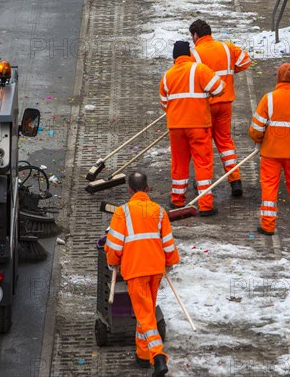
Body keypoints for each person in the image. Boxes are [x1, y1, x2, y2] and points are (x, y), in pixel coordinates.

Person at [105, 171, 180, 376]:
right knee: (145, 312)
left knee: (145, 315)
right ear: (147, 188)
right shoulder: (160, 211)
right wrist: (170, 262)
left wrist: (112, 262)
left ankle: (157, 356)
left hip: (136, 270)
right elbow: (168, 243)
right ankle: (142, 354)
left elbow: (114, 245)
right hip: (156, 269)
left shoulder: (122, 212)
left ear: (129, 190)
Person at [249, 63, 290, 235]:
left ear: (278, 77)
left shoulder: (268, 99)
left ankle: (268, 225)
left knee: (269, 187)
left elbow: (256, 128)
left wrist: (259, 139)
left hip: (271, 153)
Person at [159, 41, 225, 216]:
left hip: (176, 127)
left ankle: (177, 199)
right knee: (202, 163)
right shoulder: (200, 69)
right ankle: (205, 205)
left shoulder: (167, 76)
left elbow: (164, 103)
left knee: (179, 163)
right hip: (198, 125)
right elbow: (219, 88)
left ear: (174, 57)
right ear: (189, 54)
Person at [189, 19, 252, 197]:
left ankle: (204, 183)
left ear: (195, 35)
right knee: (225, 142)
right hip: (225, 104)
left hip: (206, 106)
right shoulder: (227, 47)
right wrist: (231, 71)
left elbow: (192, 79)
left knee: (204, 146)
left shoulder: (195, 54)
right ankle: (235, 180)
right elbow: (246, 61)